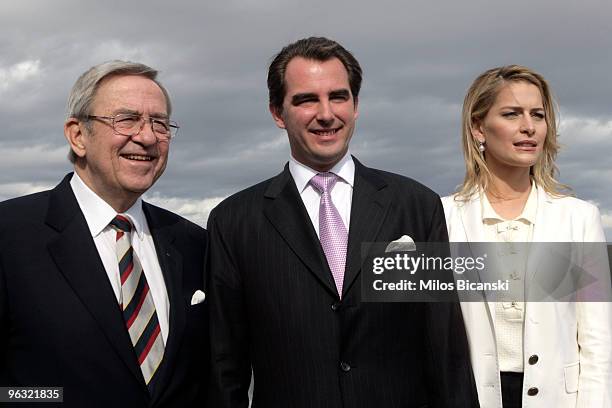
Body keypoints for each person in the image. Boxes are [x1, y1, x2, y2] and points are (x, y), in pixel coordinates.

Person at [208, 36, 478, 408]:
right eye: (306, 99)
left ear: (356, 105)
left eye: (338, 96)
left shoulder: (415, 207)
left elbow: (446, 348)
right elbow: (226, 365)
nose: (326, 114)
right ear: (277, 112)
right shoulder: (235, 221)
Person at [0, 61, 209, 407]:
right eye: (126, 119)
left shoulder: (192, 243)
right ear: (78, 135)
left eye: (159, 123)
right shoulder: (9, 236)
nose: (146, 137)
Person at [442, 65, 612, 408]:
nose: (529, 127)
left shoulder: (579, 219)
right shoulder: (442, 218)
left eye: (538, 115)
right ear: (478, 127)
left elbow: (597, 340)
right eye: (511, 114)